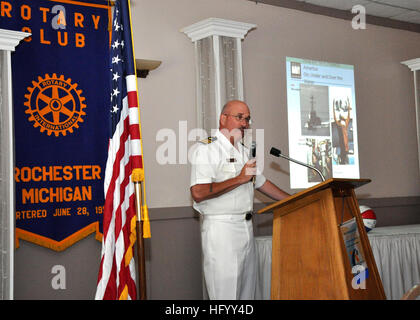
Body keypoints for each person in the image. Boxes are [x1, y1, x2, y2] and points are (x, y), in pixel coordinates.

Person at [190, 100, 290, 300]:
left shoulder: (243, 151)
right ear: (223, 118)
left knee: (247, 295)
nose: (244, 123)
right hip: (222, 230)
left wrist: (296, 200)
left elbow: (261, 183)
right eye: (239, 117)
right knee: (225, 296)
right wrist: (239, 178)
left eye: (247, 119)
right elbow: (198, 192)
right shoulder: (206, 149)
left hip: (246, 227)